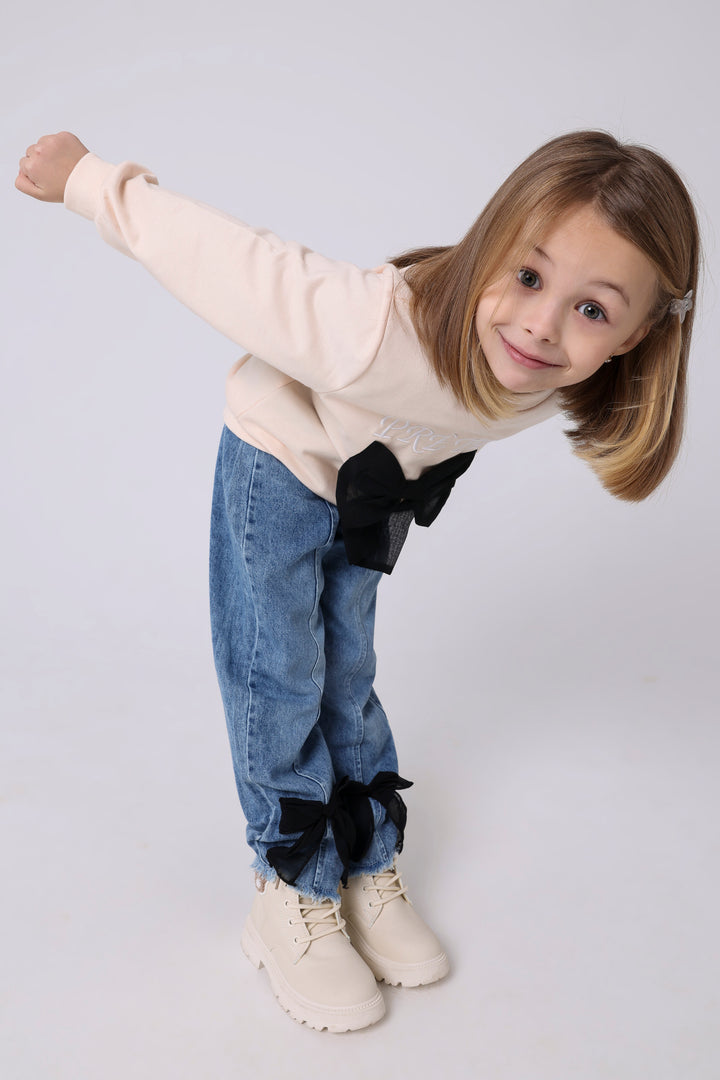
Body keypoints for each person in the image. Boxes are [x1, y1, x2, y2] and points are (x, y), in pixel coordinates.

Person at [15, 129, 700, 1032]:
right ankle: (289, 883)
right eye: (529, 278)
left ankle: (363, 853)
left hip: (376, 488)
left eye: (593, 310)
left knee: (349, 668)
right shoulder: (366, 326)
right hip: (279, 466)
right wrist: (91, 183)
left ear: (640, 333)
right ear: (492, 245)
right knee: (280, 672)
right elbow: (232, 263)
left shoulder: (557, 379)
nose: (541, 326)